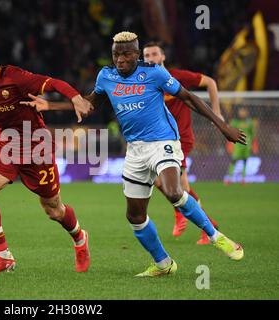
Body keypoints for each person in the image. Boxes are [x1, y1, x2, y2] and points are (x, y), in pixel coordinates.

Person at [22, 31, 246, 277]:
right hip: (135, 150)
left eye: (126, 53)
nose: (120, 59)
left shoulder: (155, 73)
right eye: (116, 54)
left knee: (173, 192)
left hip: (163, 142)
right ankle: (163, 263)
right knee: (135, 216)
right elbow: (89, 105)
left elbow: (189, 97)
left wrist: (222, 125)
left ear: (137, 54)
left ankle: (216, 237)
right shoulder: (106, 76)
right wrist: (52, 106)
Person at [0, 38, 93, 277]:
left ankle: (79, 238)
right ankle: (3, 256)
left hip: (36, 147)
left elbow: (54, 82)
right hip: (7, 144)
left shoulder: (16, 77)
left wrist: (75, 98)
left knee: (53, 210)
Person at [142, 42, 220, 245]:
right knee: (160, 182)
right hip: (158, 140)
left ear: (163, 57)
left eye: (154, 54)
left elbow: (210, 82)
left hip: (180, 140)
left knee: (178, 188)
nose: (150, 58)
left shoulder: (178, 77)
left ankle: (207, 227)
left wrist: (217, 113)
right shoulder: (144, 82)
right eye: (147, 55)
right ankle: (182, 213)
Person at [225, 107, 256, 184]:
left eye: (244, 111)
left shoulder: (250, 123)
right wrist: (229, 144)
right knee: (234, 160)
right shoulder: (235, 122)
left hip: (246, 145)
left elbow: (252, 135)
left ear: (247, 112)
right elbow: (230, 133)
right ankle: (229, 178)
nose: (242, 113)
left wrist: (253, 145)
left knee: (245, 161)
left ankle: (243, 179)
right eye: (241, 111)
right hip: (237, 145)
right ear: (238, 112)